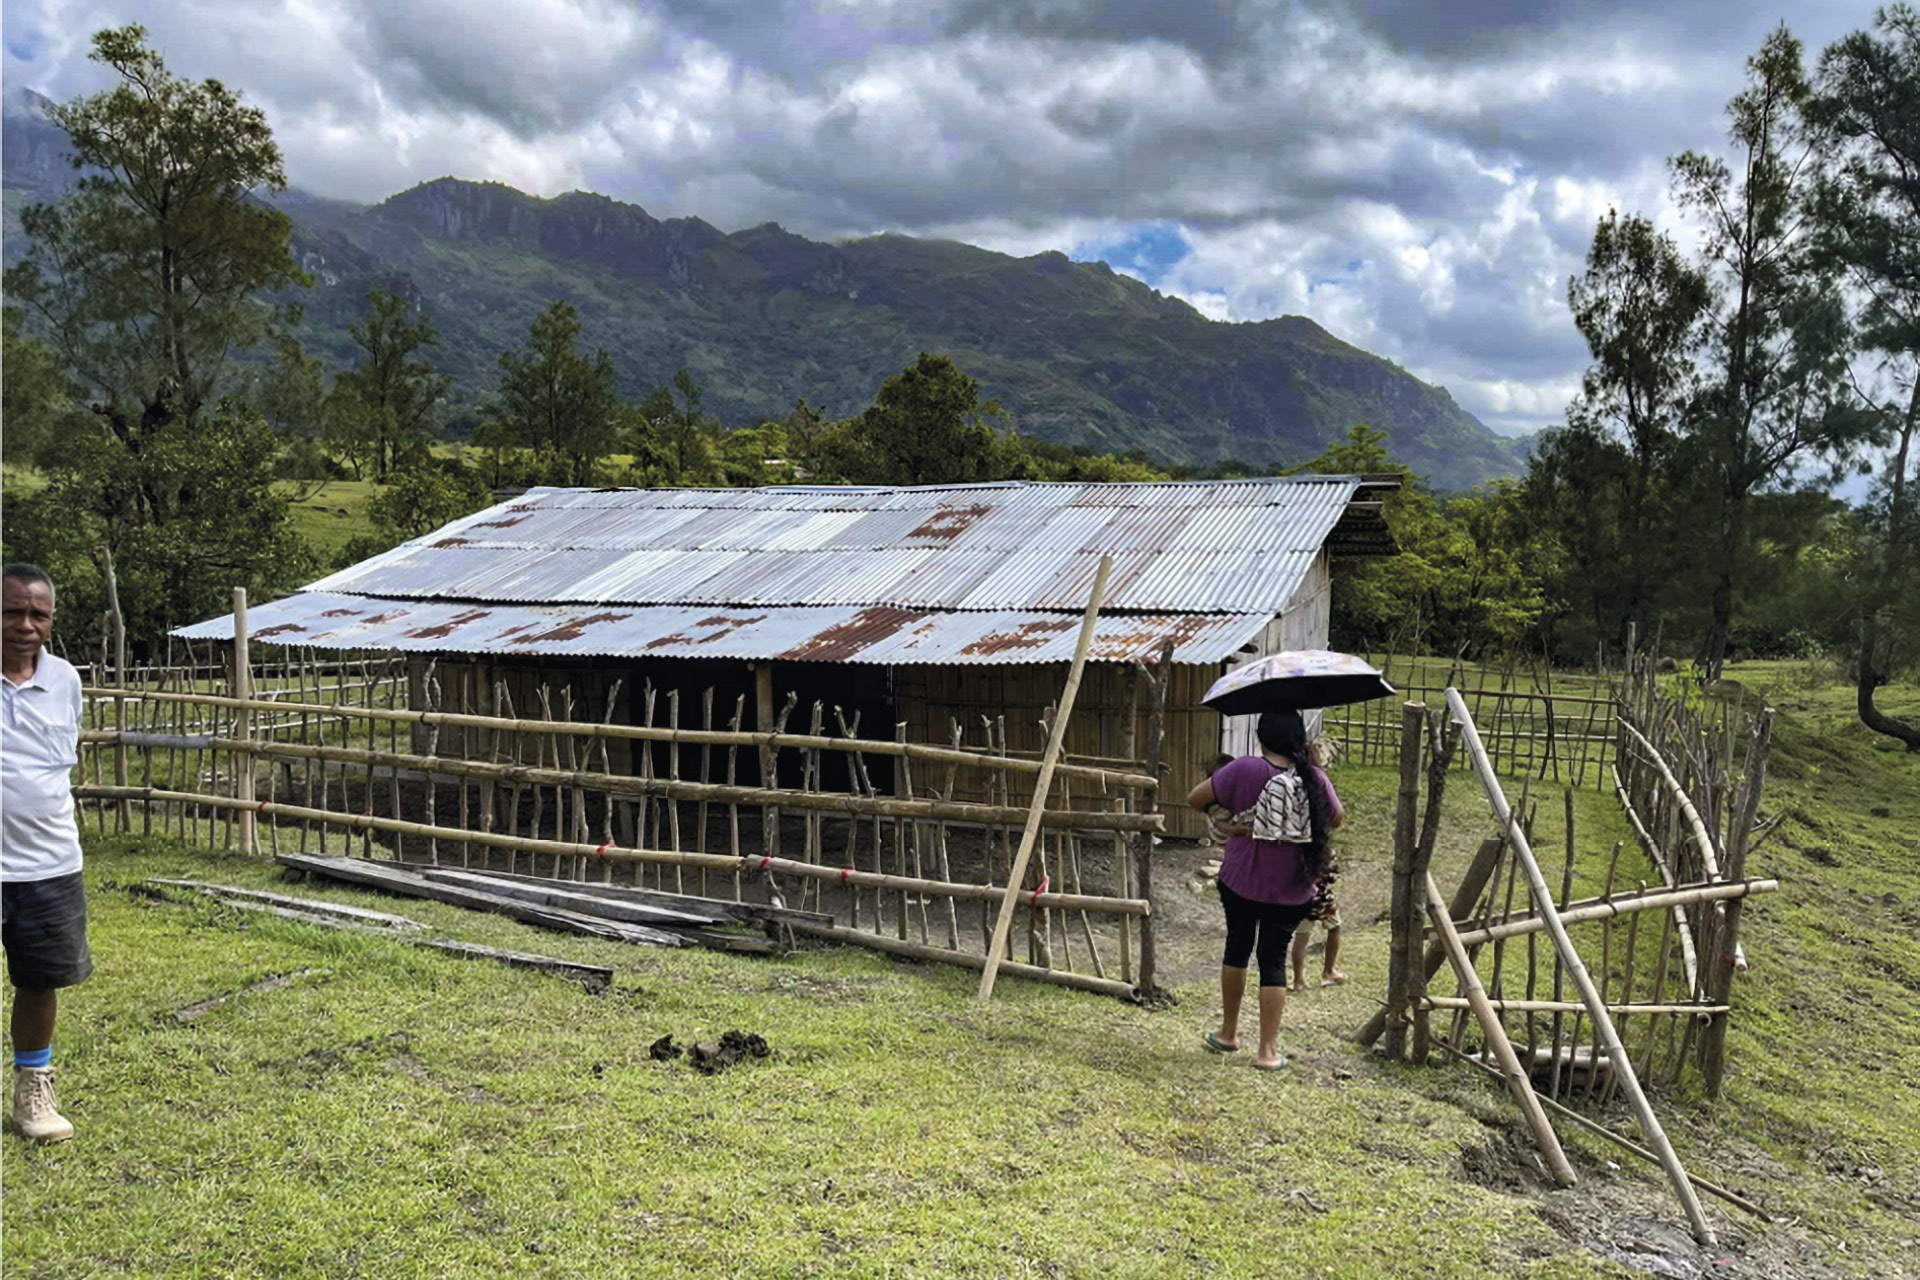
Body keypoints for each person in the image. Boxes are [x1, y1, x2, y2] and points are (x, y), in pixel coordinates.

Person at [1187, 710, 1343, 1071]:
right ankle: (1268, 1051)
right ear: (1298, 740)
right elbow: (1336, 818)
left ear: (1261, 738)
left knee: (1237, 949)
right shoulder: (1314, 776)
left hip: (1241, 878)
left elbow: (1195, 798)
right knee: (1273, 960)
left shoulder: (1243, 769)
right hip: (1292, 886)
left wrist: (1231, 822)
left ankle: (1228, 1033)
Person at [2, 564, 88, 1143]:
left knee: (40, 980)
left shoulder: (65, 680)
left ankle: (33, 1092)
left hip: (47, 862)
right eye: (12, 612)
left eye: (38, 614)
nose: (25, 625)